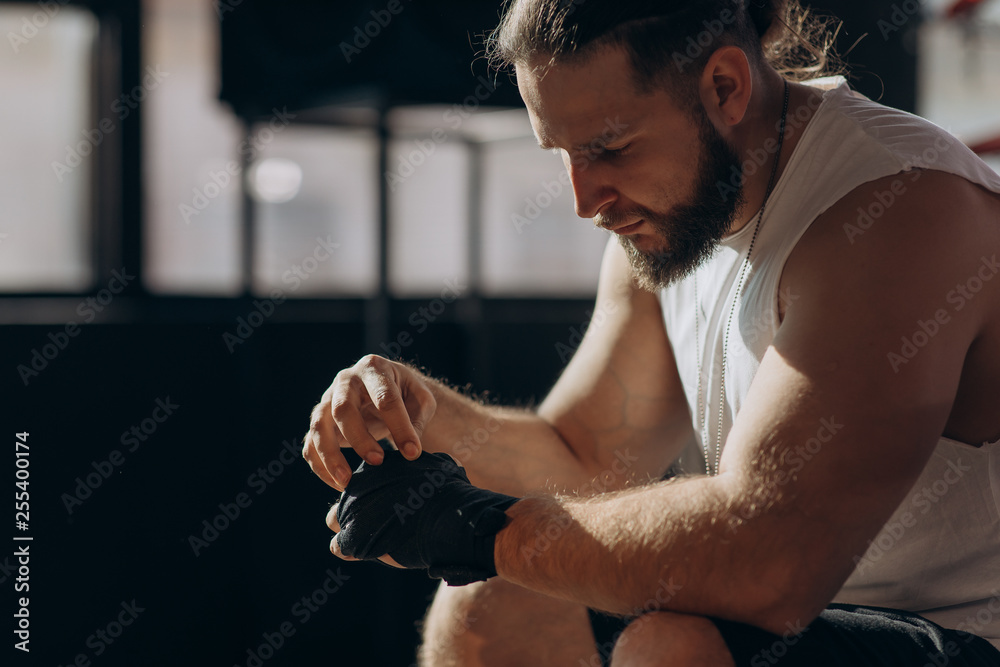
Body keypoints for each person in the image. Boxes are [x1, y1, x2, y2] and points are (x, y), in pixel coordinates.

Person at [301, 0, 1000, 664]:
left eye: (609, 147)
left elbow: (769, 557)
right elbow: (582, 458)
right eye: (563, 152)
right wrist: (424, 414)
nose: (584, 200)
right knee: (492, 601)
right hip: (797, 623)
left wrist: (479, 529)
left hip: (964, 635)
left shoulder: (899, 207)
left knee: (672, 647)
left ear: (724, 86)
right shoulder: (670, 225)